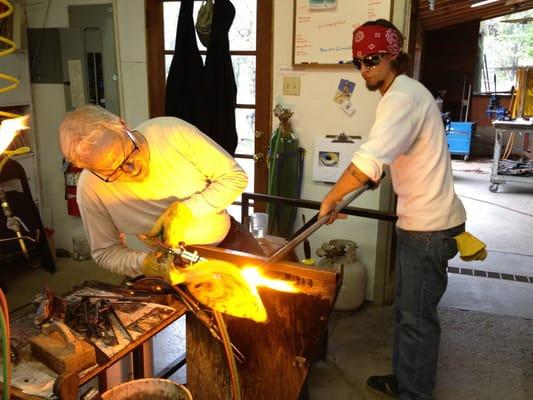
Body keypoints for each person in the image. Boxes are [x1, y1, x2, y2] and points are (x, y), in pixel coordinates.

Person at [318, 19, 466, 400]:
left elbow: (368, 160)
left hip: (428, 227)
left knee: (417, 319)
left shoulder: (401, 97)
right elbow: (388, 156)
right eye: (358, 62)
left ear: (392, 56)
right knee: (407, 313)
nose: (365, 69)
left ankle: (414, 393)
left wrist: (332, 197)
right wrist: (375, 173)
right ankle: (405, 379)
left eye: (371, 59)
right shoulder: (403, 94)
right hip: (420, 221)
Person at [59, 105, 263, 283]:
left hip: (229, 245)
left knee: (273, 313)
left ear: (123, 125)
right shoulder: (91, 189)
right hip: (173, 268)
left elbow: (235, 177)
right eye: (113, 172)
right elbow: (106, 252)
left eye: (130, 153)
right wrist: (144, 263)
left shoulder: (170, 132)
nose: (131, 169)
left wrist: (186, 210)